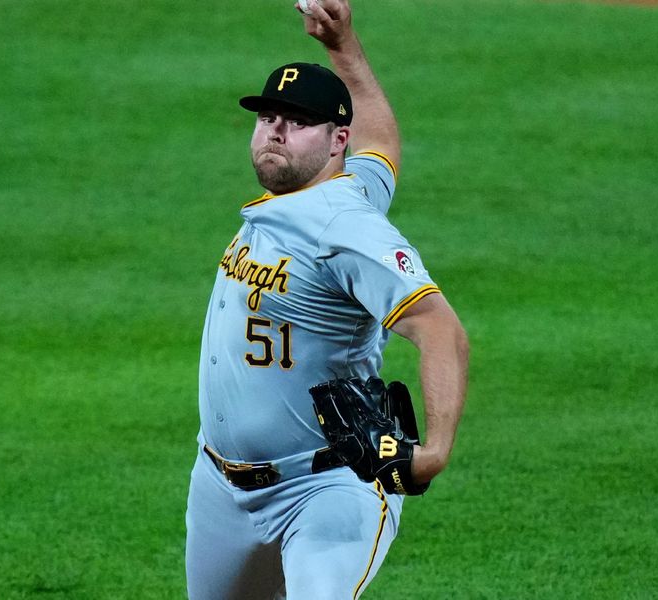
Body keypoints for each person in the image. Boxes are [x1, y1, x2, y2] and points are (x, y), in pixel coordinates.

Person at [184, 1, 469, 598]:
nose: (275, 130)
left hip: (327, 490)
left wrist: (434, 452)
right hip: (220, 490)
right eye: (268, 117)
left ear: (336, 139)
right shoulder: (341, 189)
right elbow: (382, 145)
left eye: (298, 121)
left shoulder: (347, 227)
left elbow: (439, 329)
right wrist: (343, 47)